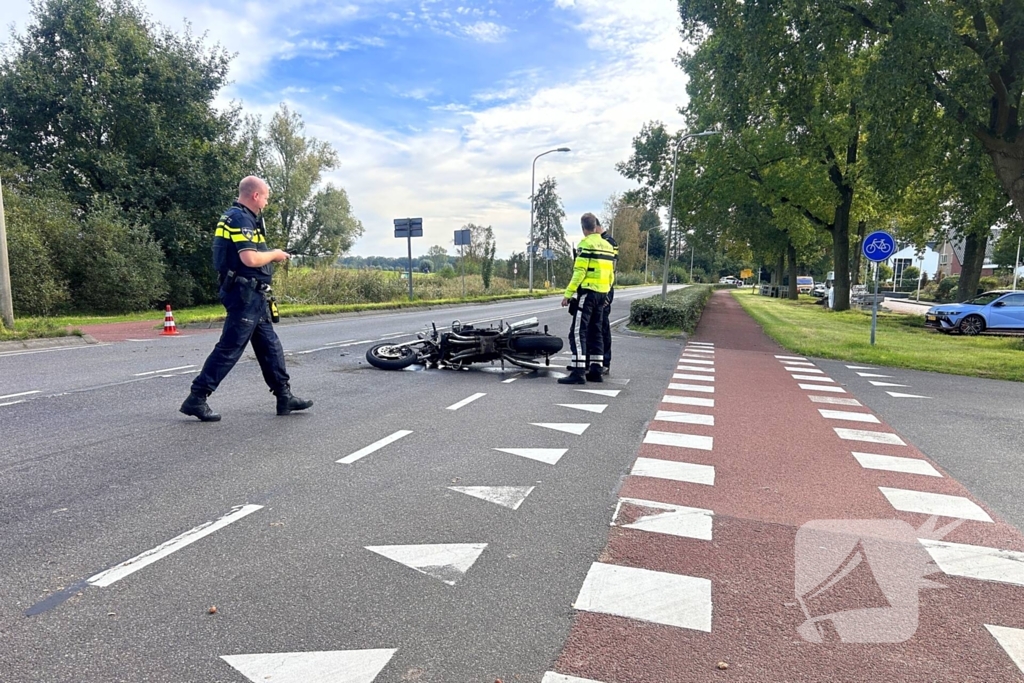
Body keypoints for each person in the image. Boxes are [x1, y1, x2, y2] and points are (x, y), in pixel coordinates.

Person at [180, 176, 313, 422]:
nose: (266, 203)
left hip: (253, 294)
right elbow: (249, 259)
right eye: (265, 198)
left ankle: (284, 396)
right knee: (230, 347)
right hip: (244, 294)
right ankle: (197, 398)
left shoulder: (240, 217)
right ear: (255, 196)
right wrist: (275, 254)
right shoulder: (241, 219)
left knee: (270, 346)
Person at [558, 212, 616, 385]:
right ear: (596, 226)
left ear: (584, 228)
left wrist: (568, 294)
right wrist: (606, 291)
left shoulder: (585, 244)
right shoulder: (607, 246)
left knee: (577, 332)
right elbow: (611, 273)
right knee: (596, 331)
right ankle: (596, 370)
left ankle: (578, 372)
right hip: (602, 294)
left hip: (588, 293)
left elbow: (580, 272)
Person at [595, 218, 619, 374]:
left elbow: (610, 268)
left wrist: (607, 294)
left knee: (603, 327)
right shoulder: (602, 241)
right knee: (595, 327)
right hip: (598, 289)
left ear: (596, 227)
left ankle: (605, 361)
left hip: (605, 289)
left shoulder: (609, 242)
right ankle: (596, 361)